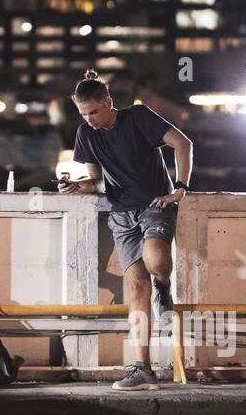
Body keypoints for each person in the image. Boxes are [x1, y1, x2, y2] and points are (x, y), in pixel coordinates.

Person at [57, 70, 193, 390]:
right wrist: (76, 187)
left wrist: (180, 188)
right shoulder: (85, 134)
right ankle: (142, 368)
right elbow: (96, 182)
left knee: (157, 257)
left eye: (94, 112)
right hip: (121, 213)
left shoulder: (138, 117)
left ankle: (164, 286)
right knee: (135, 291)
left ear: (108, 102)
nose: (89, 119)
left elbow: (183, 143)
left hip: (155, 204)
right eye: (83, 114)